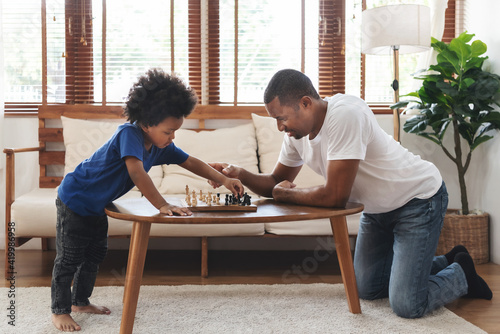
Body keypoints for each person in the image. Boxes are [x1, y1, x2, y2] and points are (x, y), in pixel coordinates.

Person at [209, 69, 492, 318]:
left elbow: (334, 197)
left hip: (417, 201)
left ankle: (461, 274)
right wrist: (240, 174)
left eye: (281, 118)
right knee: (368, 288)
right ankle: (447, 260)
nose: (280, 127)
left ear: (305, 103)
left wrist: (284, 195)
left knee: (407, 305)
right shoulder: (296, 136)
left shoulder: (344, 114)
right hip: (376, 209)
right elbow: (275, 182)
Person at [51, 68, 245, 331]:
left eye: (175, 131)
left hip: (97, 206)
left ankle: (80, 301)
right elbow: (136, 171)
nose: (172, 137)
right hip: (74, 199)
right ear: (146, 123)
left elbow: (190, 162)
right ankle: (60, 310)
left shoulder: (160, 145)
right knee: (69, 258)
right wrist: (163, 205)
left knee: (95, 255)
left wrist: (222, 179)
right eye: (168, 131)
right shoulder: (129, 135)